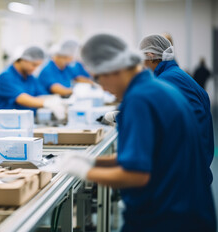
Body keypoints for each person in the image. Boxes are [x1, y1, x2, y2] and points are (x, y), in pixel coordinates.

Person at [58, 33, 216, 231]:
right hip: (183, 209)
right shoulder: (156, 87)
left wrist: (86, 172)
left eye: (98, 78)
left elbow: (136, 174)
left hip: (165, 217)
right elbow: (144, 157)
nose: (104, 89)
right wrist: (92, 161)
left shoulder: (139, 99)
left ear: (112, 69)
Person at [139, 34, 214, 184]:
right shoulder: (175, 74)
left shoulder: (167, 79)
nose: (142, 65)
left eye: (142, 60)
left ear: (151, 56)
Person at [0, 46, 66, 124]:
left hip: (21, 124)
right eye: (34, 65)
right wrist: (47, 103)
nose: (35, 69)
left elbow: (41, 94)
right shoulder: (5, 77)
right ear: (23, 60)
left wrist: (57, 100)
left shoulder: (30, 77)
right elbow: (21, 98)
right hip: (3, 125)